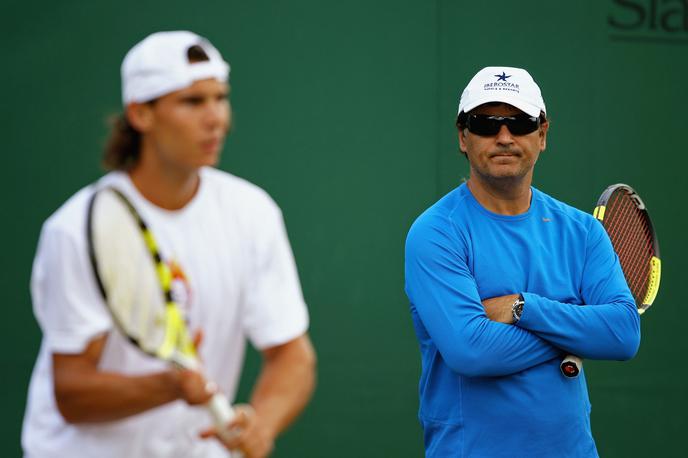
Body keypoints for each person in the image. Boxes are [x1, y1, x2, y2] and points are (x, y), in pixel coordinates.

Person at [22, 31, 316, 458]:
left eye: (221, 97)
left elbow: (293, 356)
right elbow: (72, 393)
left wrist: (261, 425)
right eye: (193, 102)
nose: (217, 118)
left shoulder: (252, 212)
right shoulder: (74, 229)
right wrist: (169, 386)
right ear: (140, 114)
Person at [404, 66, 640, 457]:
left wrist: (523, 308)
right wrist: (579, 322)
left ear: (542, 134)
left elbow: (624, 334)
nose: (503, 137)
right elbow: (472, 351)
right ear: (463, 136)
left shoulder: (583, 231)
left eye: (520, 122)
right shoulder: (436, 232)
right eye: (485, 123)